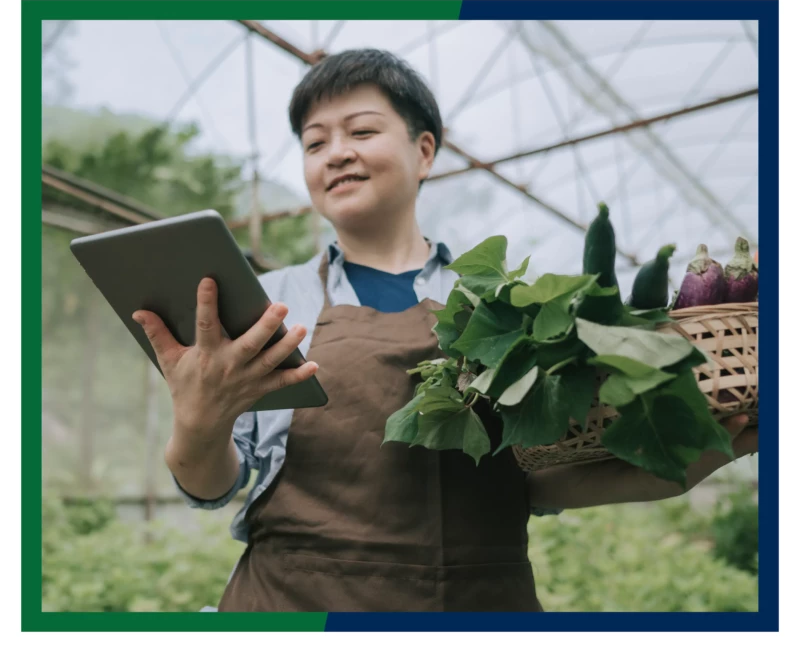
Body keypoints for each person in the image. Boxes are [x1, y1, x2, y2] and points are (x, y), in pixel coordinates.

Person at [132, 48, 759, 613]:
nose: (336, 153)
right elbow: (212, 486)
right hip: (296, 608)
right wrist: (199, 420)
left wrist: (698, 458)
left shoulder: (508, 304)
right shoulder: (273, 305)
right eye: (314, 143)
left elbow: (537, 479)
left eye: (362, 131)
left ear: (425, 150)